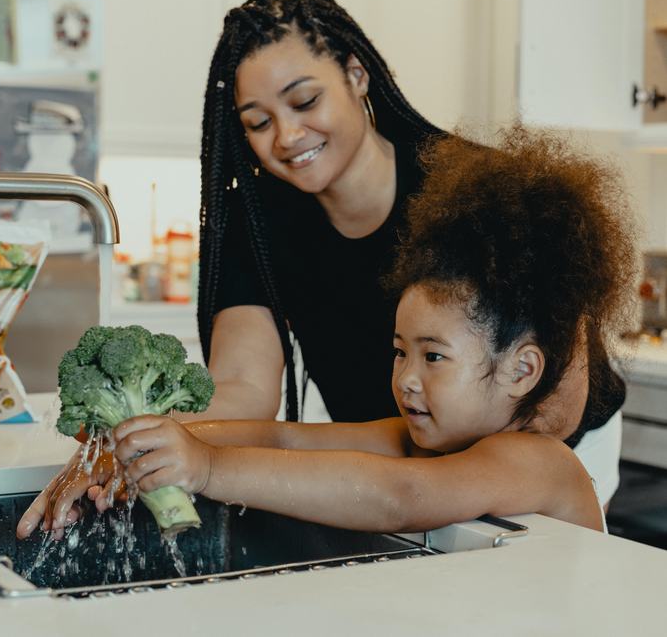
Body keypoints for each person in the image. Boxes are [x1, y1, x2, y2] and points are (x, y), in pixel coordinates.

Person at [17, 0, 628, 539]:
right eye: (258, 122)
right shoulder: (260, 222)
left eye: (305, 100)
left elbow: (437, 476)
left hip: (528, 442)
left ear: (357, 76)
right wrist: (141, 441)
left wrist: (205, 462)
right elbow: (256, 402)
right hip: (414, 442)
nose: (286, 136)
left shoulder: (476, 194)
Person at [104, 127, 635, 533]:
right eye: (400, 352)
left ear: (521, 369)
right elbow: (288, 438)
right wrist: (159, 439)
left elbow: (399, 496)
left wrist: (205, 467)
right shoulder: (429, 442)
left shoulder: (536, 460)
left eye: (433, 357)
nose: (405, 377)